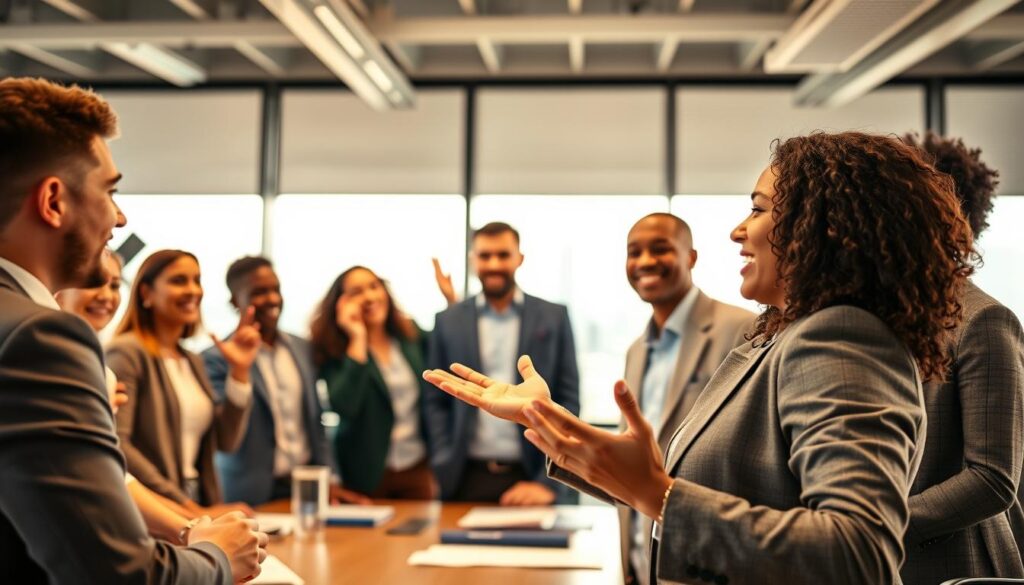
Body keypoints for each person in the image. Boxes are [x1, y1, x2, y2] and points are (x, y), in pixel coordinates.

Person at [425, 131, 974, 584]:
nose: (738, 230)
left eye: (757, 210)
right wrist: (543, 421)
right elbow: (684, 474)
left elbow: (858, 553)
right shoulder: (772, 337)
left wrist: (659, 496)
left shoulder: (841, 335)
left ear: (819, 227)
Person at [0, 76, 265, 584]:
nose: (119, 218)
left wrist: (192, 531)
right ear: (54, 202)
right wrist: (218, 560)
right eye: (110, 190)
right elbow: (116, 572)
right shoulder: (40, 340)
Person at [898, 132, 1024, 583]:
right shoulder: (887, 311)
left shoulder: (983, 320)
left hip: (954, 566)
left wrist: (875, 523)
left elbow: (992, 479)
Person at [621, 212, 755, 585]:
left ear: (691, 257)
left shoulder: (742, 329)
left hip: (707, 562)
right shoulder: (636, 351)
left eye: (660, 249)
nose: (645, 261)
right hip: (641, 563)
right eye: (635, 252)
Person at [425, 221, 580, 505]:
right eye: (485, 256)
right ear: (473, 260)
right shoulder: (448, 321)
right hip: (463, 476)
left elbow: (568, 399)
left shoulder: (554, 316)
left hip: (533, 472)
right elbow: (434, 400)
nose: (494, 264)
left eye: (503, 255)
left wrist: (548, 481)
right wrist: (442, 460)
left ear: (519, 258)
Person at [108, 249, 259, 517]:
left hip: (196, 498)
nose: (193, 290)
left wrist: (239, 372)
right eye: (179, 281)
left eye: (196, 280)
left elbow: (226, 442)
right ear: (146, 294)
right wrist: (188, 507)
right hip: (153, 509)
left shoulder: (192, 360)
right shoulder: (127, 352)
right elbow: (120, 443)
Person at [203, 256, 365, 506]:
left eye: (275, 289)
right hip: (250, 495)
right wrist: (238, 371)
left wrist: (330, 476)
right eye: (259, 292)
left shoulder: (302, 348)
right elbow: (222, 435)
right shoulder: (216, 359)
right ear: (235, 300)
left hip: (306, 489)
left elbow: (316, 421)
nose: (272, 299)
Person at [311, 266, 435, 499]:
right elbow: (344, 407)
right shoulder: (333, 349)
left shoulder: (410, 335)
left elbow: (447, 357)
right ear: (340, 304)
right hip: (363, 474)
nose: (369, 297)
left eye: (374, 286)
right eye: (356, 292)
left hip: (416, 467)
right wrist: (357, 338)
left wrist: (451, 301)